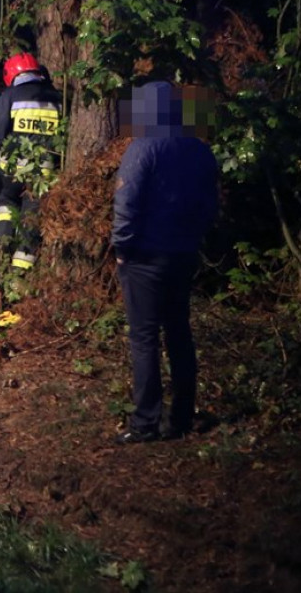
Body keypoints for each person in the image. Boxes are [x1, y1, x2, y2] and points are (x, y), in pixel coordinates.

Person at [111, 81, 218, 444]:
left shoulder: (141, 148)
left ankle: (145, 423)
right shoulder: (199, 149)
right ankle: (182, 416)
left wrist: (122, 248)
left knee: (144, 339)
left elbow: (126, 204)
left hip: (143, 257)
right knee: (179, 334)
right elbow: (210, 206)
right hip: (183, 253)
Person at [0, 52, 63, 271]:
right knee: (30, 218)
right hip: (42, 174)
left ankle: (1, 255)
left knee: (6, 203)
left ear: (11, 75)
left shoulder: (10, 96)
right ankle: (20, 272)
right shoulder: (57, 99)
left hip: (11, 171)